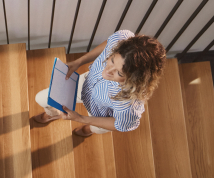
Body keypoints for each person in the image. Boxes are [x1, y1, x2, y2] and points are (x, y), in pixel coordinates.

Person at [34, 30, 166, 137]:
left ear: (134, 80)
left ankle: (89, 130)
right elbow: (108, 44)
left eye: (119, 73)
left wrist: (81, 118)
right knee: (41, 98)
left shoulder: (129, 104)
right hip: (85, 82)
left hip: (99, 113)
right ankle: (53, 114)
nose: (108, 70)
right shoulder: (122, 38)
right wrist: (79, 62)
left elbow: (119, 124)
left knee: (96, 128)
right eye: (112, 60)